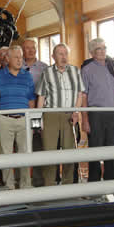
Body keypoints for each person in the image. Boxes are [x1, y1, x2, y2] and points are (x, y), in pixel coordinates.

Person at [36, 43, 85, 186]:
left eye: (66, 54)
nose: (64, 57)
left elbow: (79, 94)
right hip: (51, 114)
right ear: (53, 56)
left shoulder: (75, 71)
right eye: (60, 54)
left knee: (70, 152)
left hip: (70, 115)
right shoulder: (47, 72)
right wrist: (39, 120)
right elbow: (41, 97)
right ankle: (49, 184)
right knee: (49, 152)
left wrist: (76, 111)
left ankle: (68, 184)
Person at [0, 45, 35, 190]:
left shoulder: (27, 76)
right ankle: (9, 186)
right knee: (6, 155)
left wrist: (32, 121)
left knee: (25, 155)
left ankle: (25, 186)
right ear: (7, 59)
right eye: (16, 57)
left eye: (21, 57)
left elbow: (31, 100)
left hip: (24, 120)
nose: (19, 60)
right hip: (4, 120)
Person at [81, 38, 114, 182]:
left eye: (104, 47)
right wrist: (85, 120)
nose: (103, 51)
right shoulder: (87, 70)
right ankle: (94, 183)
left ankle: (111, 183)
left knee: (112, 150)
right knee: (95, 150)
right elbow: (83, 96)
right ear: (92, 52)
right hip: (96, 114)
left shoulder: (113, 67)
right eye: (99, 48)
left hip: (113, 113)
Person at [21, 38, 48, 187]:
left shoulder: (44, 68)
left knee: (37, 144)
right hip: (21, 111)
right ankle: (23, 180)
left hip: (37, 112)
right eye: (27, 48)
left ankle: (38, 179)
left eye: (33, 48)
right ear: (23, 50)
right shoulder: (18, 66)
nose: (31, 51)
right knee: (22, 145)